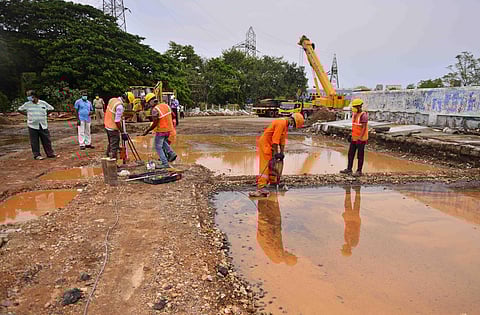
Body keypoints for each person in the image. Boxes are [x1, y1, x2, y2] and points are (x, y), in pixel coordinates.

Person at [249, 112, 304, 197]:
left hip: (270, 144)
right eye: (293, 125)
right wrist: (275, 154)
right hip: (265, 144)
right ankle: (261, 186)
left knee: (273, 164)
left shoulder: (285, 125)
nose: (292, 127)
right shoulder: (281, 123)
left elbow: (282, 140)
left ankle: (273, 182)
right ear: (292, 121)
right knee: (266, 165)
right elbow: (275, 140)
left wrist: (281, 153)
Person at [256, 192, 297, 265]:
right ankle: (267, 194)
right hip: (267, 228)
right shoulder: (279, 256)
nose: (289, 252)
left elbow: (270, 239)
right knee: (268, 209)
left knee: (265, 210)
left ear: (289, 259)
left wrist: (270, 225)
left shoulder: (278, 256)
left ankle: (265, 195)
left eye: (291, 255)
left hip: (266, 228)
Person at [18, 90, 56, 160]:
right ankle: (37, 155)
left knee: (46, 140)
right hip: (32, 125)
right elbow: (19, 109)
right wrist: (27, 115)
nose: (28, 97)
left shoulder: (43, 103)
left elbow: (51, 108)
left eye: (29, 95)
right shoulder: (27, 104)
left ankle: (50, 153)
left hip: (43, 125)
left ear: (34, 96)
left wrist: (46, 114)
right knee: (34, 141)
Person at [142, 93, 177, 168]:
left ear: (151, 101)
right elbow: (173, 115)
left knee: (158, 147)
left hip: (161, 130)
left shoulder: (155, 110)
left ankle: (165, 163)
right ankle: (171, 153)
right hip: (169, 130)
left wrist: (147, 130)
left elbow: (155, 123)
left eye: (148, 103)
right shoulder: (166, 105)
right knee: (163, 142)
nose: (148, 105)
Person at [340, 98, 368, 177]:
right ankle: (349, 169)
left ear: (359, 107)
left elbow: (364, 128)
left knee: (360, 155)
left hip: (361, 139)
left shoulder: (363, 115)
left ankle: (359, 171)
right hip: (354, 138)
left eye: (355, 107)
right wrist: (350, 135)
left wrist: (360, 138)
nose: (354, 108)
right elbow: (355, 126)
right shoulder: (355, 114)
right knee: (350, 154)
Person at [104, 95, 128, 159]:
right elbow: (117, 121)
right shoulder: (120, 106)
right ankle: (112, 163)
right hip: (113, 128)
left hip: (107, 125)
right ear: (125, 100)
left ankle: (108, 156)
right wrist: (122, 132)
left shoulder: (112, 100)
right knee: (114, 145)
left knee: (111, 143)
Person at [341, 185, 362, 257]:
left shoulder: (350, 242)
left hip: (353, 220)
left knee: (355, 204)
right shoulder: (351, 242)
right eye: (343, 248)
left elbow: (347, 229)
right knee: (350, 204)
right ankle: (350, 190)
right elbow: (349, 229)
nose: (342, 247)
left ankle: (355, 191)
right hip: (352, 220)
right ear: (347, 249)